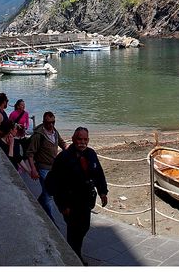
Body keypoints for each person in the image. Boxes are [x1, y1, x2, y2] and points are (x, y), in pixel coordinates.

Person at [46, 127, 108, 263]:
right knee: (73, 230)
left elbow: (98, 174)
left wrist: (103, 192)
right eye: (79, 139)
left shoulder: (91, 154)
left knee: (84, 226)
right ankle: (74, 257)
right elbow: (56, 183)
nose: (82, 142)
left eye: (85, 139)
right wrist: (63, 205)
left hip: (86, 199)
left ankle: (74, 252)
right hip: (70, 201)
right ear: (73, 140)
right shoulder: (63, 158)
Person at [27, 111, 68, 219]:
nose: (51, 125)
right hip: (43, 168)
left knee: (46, 192)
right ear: (44, 122)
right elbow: (30, 154)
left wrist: (72, 151)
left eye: (53, 122)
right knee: (49, 193)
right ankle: (50, 219)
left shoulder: (55, 132)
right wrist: (33, 169)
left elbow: (62, 143)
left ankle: (36, 205)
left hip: (53, 167)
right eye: (48, 123)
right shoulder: (38, 135)